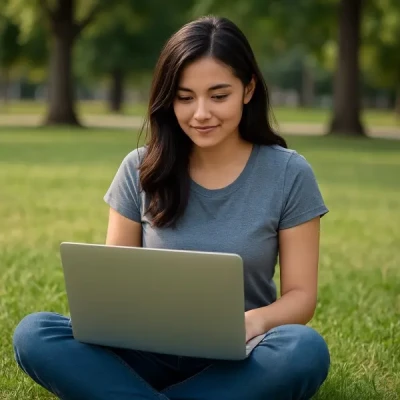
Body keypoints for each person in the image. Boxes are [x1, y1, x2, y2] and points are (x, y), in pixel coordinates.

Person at [13, 15, 330, 400]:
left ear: (248, 89)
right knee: (35, 333)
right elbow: (115, 286)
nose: (200, 113)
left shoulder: (289, 173)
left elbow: (301, 296)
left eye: (218, 95)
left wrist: (250, 322)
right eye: (184, 97)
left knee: (305, 350)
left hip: (239, 357)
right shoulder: (139, 168)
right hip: (143, 353)